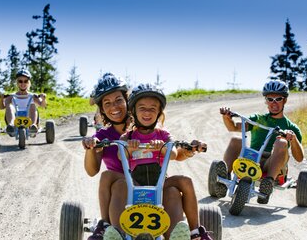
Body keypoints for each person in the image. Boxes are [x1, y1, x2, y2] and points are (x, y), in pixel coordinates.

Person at [82, 74, 186, 240]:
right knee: (116, 182)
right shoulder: (103, 136)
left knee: (172, 191)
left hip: (153, 183)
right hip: (123, 191)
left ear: (127, 100)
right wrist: (90, 147)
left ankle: (180, 234)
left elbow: (173, 153)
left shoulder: (145, 123)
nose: (114, 107)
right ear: (102, 109)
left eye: (118, 100)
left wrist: (188, 150)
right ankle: (109, 228)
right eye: (107, 103)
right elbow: (92, 171)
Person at [104, 83, 212, 240]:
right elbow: (121, 156)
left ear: (159, 112)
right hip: (136, 184)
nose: (147, 112)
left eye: (152, 108)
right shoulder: (127, 137)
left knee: (184, 182)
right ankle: (118, 233)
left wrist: (162, 149)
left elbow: (174, 153)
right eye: (142, 108)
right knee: (119, 185)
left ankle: (194, 232)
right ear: (133, 111)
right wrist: (130, 149)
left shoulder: (163, 134)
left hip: (160, 184)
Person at [219, 79, 304, 204]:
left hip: (272, 163)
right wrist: (226, 117)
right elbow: (233, 128)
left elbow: (299, 158)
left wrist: (293, 138)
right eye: (270, 99)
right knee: (236, 140)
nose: (274, 103)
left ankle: (267, 184)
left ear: (285, 100)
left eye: (278, 99)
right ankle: (223, 179)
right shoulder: (258, 119)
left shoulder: (291, 127)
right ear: (266, 101)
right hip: (252, 159)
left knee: (282, 142)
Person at [0, 69, 46, 136]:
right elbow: (2, 107)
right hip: (15, 121)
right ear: (17, 82)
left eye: (25, 81)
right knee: (10, 106)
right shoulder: (11, 96)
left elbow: (43, 106)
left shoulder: (32, 96)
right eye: (20, 81)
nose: (23, 84)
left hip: (30, 120)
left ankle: (33, 126)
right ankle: (11, 126)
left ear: (28, 83)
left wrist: (43, 99)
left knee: (32, 105)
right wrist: (1, 99)